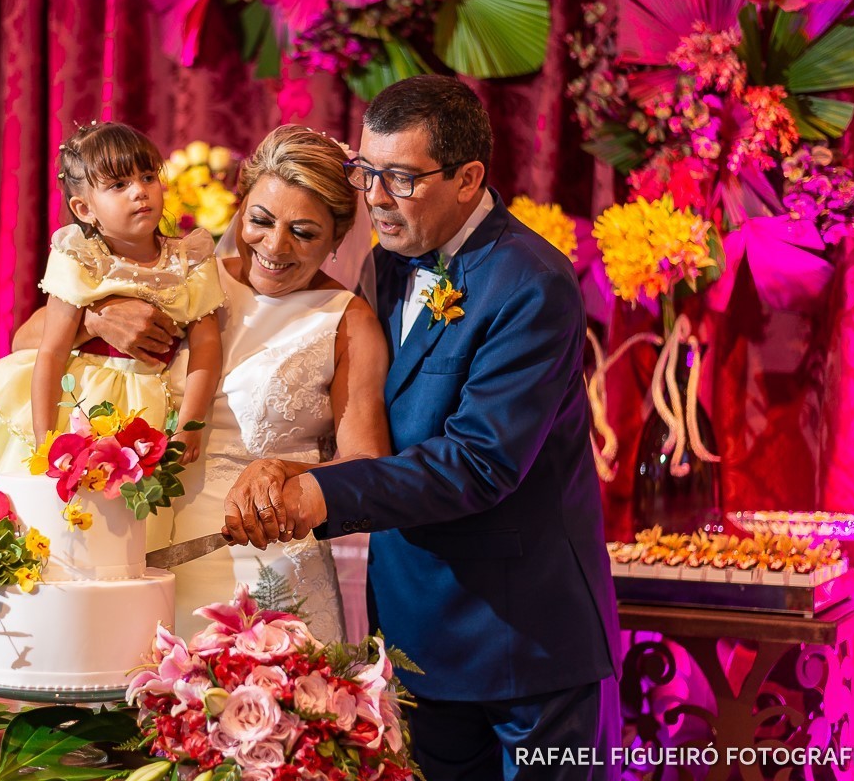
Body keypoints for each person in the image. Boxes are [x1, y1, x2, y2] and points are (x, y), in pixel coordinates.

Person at [223, 76, 621, 779]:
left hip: (520, 642)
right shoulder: (389, 262)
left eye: (400, 178)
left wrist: (322, 497)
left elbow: (480, 462)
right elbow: (374, 431)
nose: (374, 196)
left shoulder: (533, 282)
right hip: (414, 635)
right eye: (366, 171)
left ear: (469, 179)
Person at [20, 125, 390, 642]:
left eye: (303, 232)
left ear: (336, 240)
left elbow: (368, 464)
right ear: (240, 208)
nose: (275, 246)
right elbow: (25, 346)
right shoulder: (182, 271)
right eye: (259, 220)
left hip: (264, 566)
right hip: (139, 546)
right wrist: (98, 321)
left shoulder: (348, 322)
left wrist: (282, 469)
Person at [0, 121, 224, 546]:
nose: (140, 191)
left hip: (152, 408)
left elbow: (206, 346)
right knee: (63, 523)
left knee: (127, 535)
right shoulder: (80, 255)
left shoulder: (190, 258)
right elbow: (50, 351)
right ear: (85, 210)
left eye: (147, 177)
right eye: (119, 184)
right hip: (81, 403)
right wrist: (45, 439)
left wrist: (191, 424)